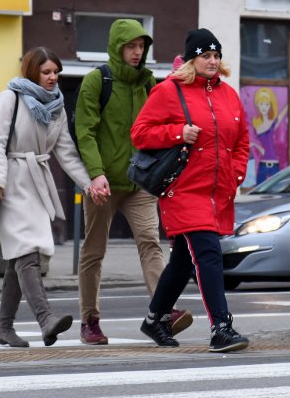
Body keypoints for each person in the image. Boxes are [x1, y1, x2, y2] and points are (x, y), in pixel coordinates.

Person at [131, 28, 251, 353]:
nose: (212, 61)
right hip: (183, 190)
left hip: (217, 192)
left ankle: (155, 319)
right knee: (209, 253)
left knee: (184, 261)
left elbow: (241, 141)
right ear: (191, 60)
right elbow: (140, 133)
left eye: (216, 55)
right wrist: (177, 132)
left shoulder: (228, 95)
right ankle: (221, 328)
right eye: (205, 56)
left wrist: (237, 174)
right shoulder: (169, 91)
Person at [74, 19, 192, 345]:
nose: (137, 52)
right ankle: (90, 320)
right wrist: (95, 174)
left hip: (139, 181)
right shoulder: (97, 81)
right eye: (131, 46)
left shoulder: (149, 83)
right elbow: (84, 132)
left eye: (141, 46)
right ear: (117, 46)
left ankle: (162, 310)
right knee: (94, 251)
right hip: (104, 183)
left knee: (150, 242)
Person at [0, 46, 97, 348]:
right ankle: (46, 319)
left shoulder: (56, 106)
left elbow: (66, 152)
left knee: (21, 258)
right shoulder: (10, 98)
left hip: (37, 184)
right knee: (27, 252)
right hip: (11, 184)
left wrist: (89, 184)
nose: (53, 77)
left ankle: (4, 328)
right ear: (32, 71)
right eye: (46, 72)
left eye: (56, 72)